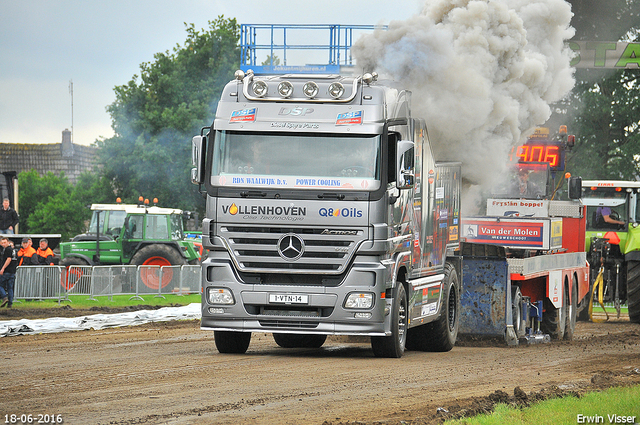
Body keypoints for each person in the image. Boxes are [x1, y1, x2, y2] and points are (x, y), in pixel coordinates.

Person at [0, 236, 18, 308]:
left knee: (0, 285)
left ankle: (4, 297)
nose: (3, 244)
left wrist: (3, 268)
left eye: (4, 242)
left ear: (8, 242)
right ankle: (10, 304)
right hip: (13, 271)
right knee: (10, 288)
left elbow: (9, 259)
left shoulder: (7, 249)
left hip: (7, 271)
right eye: (2, 243)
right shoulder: (13, 250)